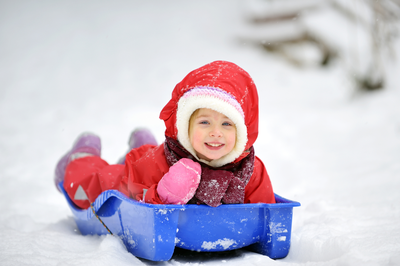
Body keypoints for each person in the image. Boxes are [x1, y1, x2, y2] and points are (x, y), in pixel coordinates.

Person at [55, 60, 276, 209]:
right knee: (91, 188)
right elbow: (132, 202)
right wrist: (163, 196)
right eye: (205, 122)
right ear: (185, 126)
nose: (215, 133)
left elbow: (265, 211)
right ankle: (82, 157)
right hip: (135, 172)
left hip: (147, 159)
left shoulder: (251, 170)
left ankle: (144, 143)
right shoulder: (159, 162)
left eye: (227, 124)